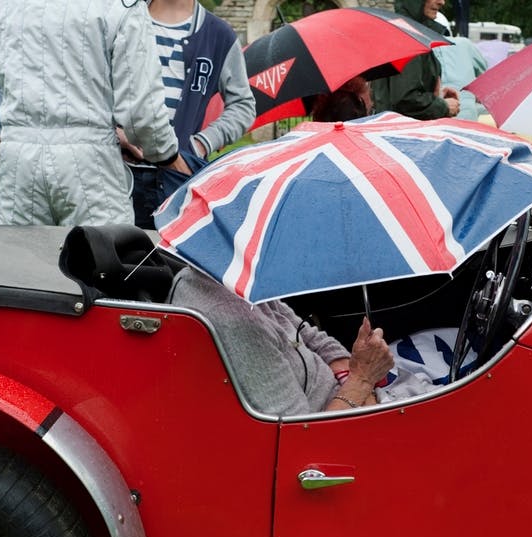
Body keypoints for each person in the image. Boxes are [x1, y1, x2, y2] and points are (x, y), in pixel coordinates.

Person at [0, 0, 187, 227]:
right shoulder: (121, 6)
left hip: (17, 161)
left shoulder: (0, 5)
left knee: (21, 258)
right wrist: (168, 156)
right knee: (101, 257)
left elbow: (1, 79)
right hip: (90, 165)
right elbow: (142, 111)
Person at [169, 266, 395, 415]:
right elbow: (303, 439)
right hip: (337, 430)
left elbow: (307, 333)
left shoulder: (232, 277)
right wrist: (363, 381)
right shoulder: (232, 318)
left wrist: (348, 372)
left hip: (349, 398)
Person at [124, 0, 256, 229]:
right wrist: (116, 133)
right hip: (119, 174)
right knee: (112, 258)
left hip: (177, 178)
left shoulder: (218, 35)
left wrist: (200, 145)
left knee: (171, 261)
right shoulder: (123, 21)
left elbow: (243, 105)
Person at [371, 0, 460, 120]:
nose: (442, 2)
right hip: (402, 132)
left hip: (397, 129)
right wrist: (442, 106)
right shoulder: (407, 37)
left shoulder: (407, 32)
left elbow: (400, 92)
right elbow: (405, 100)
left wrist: (436, 95)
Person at [431, 13, 488, 121]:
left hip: (436, 115)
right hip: (469, 116)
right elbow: (484, 72)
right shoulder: (465, 44)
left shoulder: (422, 47)